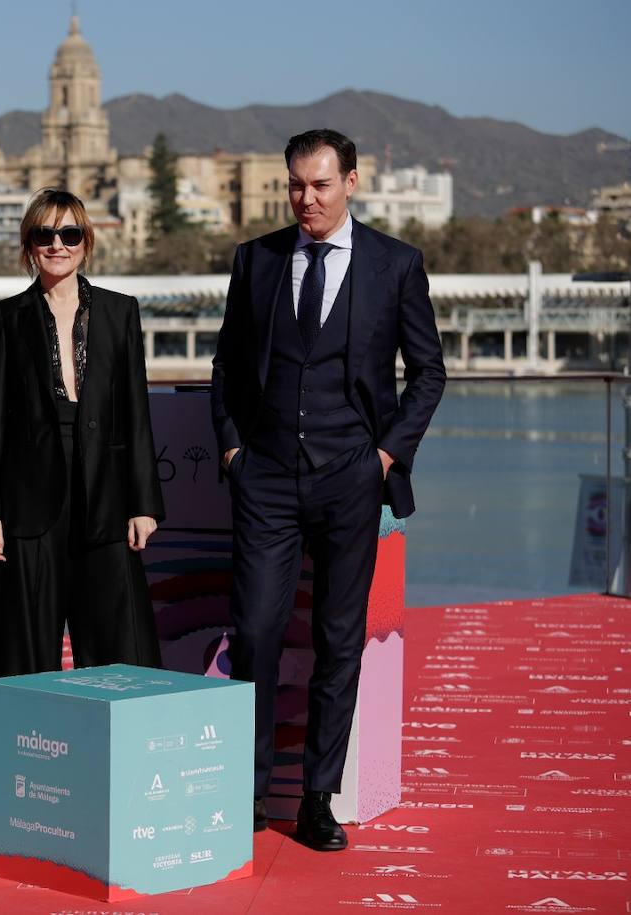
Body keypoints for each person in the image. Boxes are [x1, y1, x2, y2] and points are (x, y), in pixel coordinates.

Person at [210, 129, 446, 851]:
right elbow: (227, 366)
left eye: (318, 184)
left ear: (351, 181)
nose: (304, 199)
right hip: (268, 476)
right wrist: (233, 451)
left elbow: (428, 373)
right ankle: (248, 795)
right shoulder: (257, 260)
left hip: (351, 478)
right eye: (294, 186)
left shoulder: (396, 264)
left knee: (339, 640)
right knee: (253, 633)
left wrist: (382, 457)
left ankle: (318, 796)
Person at [0, 188, 163, 678]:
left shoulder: (121, 312)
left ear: (86, 242)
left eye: (69, 233)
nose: (57, 244)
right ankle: (27, 745)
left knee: (115, 633)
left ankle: (119, 743)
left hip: (107, 491)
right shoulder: (8, 317)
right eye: (44, 234)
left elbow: (136, 411)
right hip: (28, 499)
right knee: (27, 638)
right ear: (29, 244)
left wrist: (143, 503)